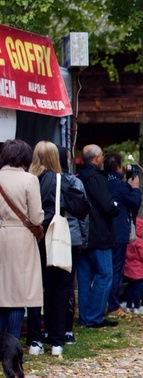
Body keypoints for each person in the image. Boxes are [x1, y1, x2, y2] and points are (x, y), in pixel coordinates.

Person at [28, 142, 90, 356]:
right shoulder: (62, 181)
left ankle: (35, 339)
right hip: (57, 238)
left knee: (35, 289)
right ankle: (56, 340)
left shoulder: (28, 180)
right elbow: (82, 208)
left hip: (32, 238)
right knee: (59, 289)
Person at [0, 140, 43, 340]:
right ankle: (13, 346)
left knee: (2, 292)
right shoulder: (29, 180)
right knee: (17, 294)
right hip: (21, 239)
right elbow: (36, 217)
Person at [77, 144, 120, 328]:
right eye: (101, 155)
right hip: (99, 234)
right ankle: (94, 317)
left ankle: (85, 316)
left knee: (85, 276)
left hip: (82, 233)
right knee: (104, 274)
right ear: (96, 159)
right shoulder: (96, 178)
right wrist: (115, 206)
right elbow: (108, 206)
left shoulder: (78, 177)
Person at [104, 151, 142, 317]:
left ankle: (104, 303)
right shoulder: (120, 186)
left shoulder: (102, 182)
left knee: (103, 270)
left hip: (103, 231)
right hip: (118, 232)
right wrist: (135, 189)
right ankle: (113, 305)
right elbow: (135, 203)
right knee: (116, 269)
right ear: (119, 167)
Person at [59, 145, 89, 344]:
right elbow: (83, 214)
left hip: (51, 237)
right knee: (69, 285)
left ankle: (49, 328)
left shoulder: (41, 180)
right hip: (73, 237)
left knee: (51, 285)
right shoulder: (74, 182)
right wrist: (85, 238)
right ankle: (67, 329)